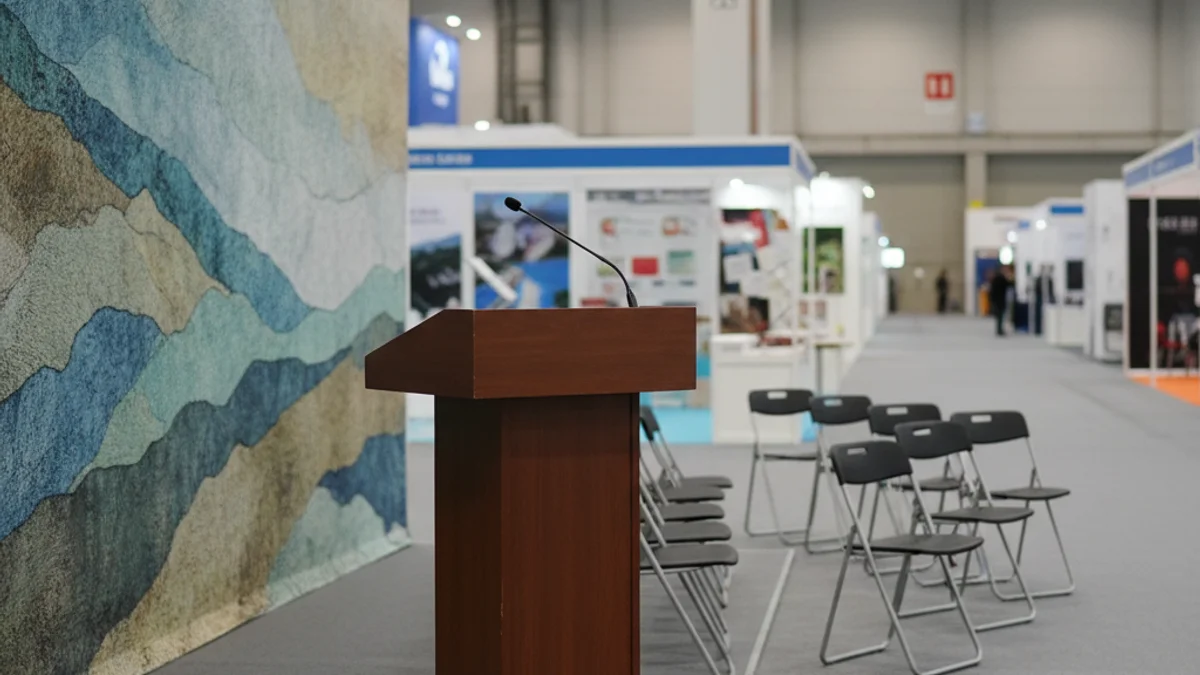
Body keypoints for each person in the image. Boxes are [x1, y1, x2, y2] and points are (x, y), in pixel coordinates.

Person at [989, 266, 1012, 336]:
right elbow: (1008, 285)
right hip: (1000, 300)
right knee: (1000, 316)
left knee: (999, 316)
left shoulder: (996, 278)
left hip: (996, 300)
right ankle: (999, 330)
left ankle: (999, 329)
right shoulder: (1001, 278)